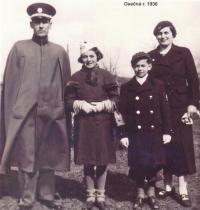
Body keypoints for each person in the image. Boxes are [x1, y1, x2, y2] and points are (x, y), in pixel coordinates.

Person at [0, 3, 71, 210]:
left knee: (49, 153)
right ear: (31, 24)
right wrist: (14, 111)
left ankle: (47, 195)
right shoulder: (19, 48)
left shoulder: (59, 51)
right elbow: (10, 83)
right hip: (25, 113)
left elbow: (67, 85)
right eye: (37, 21)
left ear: (51, 24)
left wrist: (62, 109)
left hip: (52, 112)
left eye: (45, 21)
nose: (41, 25)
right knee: (26, 155)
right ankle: (27, 198)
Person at [149, 20, 200, 207]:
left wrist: (192, 105)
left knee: (182, 147)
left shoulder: (183, 53)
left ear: (173, 34)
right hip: (161, 108)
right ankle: (168, 186)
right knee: (165, 147)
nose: (162, 36)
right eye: (159, 33)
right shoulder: (151, 56)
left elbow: (194, 81)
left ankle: (183, 189)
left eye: (166, 33)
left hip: (180, 107)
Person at [65, 42, 119, 210]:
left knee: (102, 159)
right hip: (84, 123)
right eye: (85, 57)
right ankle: (90, 194)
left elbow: (116, 98)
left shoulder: (107, 76)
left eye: (91, 56)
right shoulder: (75, 77)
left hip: (103, 123)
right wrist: (80, 104)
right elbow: (68, 100)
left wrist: (105, 105)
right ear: (81, 58)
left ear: (97, 57)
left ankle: (100, 194)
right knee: (88, 159)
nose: (88, 60)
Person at [119, 52, 172, 210]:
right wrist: (123, 134)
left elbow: (165, 110)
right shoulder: (127, 87)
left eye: (143, 65)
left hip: (155, 133)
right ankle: (140, 194)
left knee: (154, 165)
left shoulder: (158, 84)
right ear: (133, 67)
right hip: (135, 134)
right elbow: (121, 113)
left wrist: (167, 131)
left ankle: (151, 194)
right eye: (137, 65)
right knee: (138, 165)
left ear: (149, 66)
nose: (139, 68)